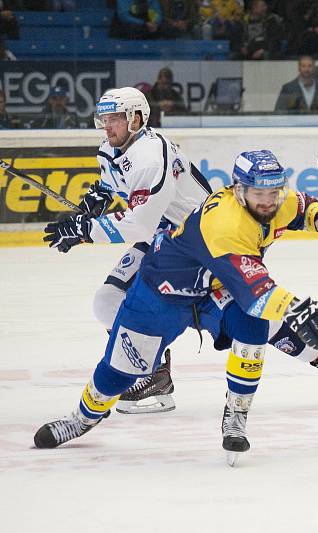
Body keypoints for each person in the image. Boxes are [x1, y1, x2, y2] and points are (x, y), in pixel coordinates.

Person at [34, 150, 318, 465]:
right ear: (238, 189)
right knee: (121, 371)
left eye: (274, 192)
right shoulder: (225, 224)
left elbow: (300, 209)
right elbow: (259, 292)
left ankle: (236, 415)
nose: (269, 201)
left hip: (215, 289)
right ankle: (81, 419)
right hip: (163, 292)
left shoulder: (271, 199)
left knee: (253, 327)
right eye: (260, 193)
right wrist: (303, 311)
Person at [41, 86, 210, 414]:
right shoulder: (112, 145)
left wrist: (84, 229)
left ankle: (152, 371)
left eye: (115, 118)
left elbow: (139, 224)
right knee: (107, 301)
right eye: (104, 119)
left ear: (137, 119)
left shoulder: (150, 155)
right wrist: (96, 199)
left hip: (196, 240)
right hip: (164, 237)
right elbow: (110, 180)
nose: (108, 126)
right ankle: (154, 371)